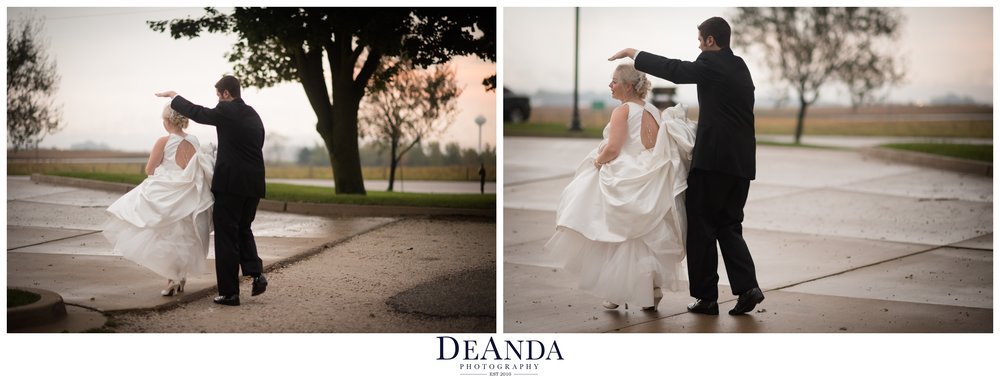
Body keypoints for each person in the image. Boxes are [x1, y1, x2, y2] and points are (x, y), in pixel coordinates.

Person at [609, 16, 764, 315]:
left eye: (700, 41)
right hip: (742, 163)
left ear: (709, 40)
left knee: (702, 228)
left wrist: (635, 54)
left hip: (714, 163)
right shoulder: (740, 66)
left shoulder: (710, 64)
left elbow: (676, 70)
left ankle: (706, 298)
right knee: (730, 226)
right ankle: (748, 288)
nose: (698, 46)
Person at [544, 63, 696, 311]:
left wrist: (597, 162)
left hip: (626, 171)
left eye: (614, 81)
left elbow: (614, 149)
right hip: (651, 173)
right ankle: (652, 289)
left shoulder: (622, 111)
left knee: (616, 232)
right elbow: (654, 146)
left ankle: (617, 292)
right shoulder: (653, 110)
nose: (610, 85)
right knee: (646, 234)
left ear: (627, 86)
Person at [155, 75, 268, 307]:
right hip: (254, 184)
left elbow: (198, 113)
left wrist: (174, 97)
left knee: (226, 237)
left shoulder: (227, 111)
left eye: (218, 95)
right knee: (243, 229)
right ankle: (256, 275)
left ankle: (229, 294)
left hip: (231, 185)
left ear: (226, 93)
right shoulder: (253, 114)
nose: (217, 100)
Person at [104, 103, 215, 297]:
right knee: (185, 236)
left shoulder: (164, 141)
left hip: (167, 193)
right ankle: (180, 277)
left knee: (166, 237)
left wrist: (164, 172)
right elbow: (194, 168)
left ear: (167, 121)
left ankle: (173, 279)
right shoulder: (195, 140)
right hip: (190, 194)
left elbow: (149, 169)